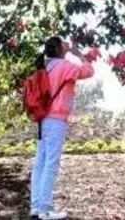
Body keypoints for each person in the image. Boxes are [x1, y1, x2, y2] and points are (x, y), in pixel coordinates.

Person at [30, 36, 94, 220]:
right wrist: (79, 54)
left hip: (43, 119)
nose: (67, 44)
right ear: (58, 48)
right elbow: (89, 71)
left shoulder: (46, 67)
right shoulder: (64, 66)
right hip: (55, 119)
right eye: (64, 43)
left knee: (40, 163)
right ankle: (45, 209)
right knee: (51, 163)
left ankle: (36, 207)